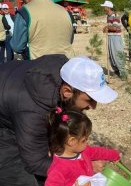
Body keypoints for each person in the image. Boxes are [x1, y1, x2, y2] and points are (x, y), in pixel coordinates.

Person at [0, 55, 118, 186]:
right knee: (21, 179)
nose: (93, 107)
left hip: (12, 102)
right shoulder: (33, 112)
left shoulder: (64, 72)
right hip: (5, 124)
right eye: (90, 99)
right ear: (67, 91)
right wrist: (83, 167)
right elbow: (35, 162)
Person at [46, 109, 120, 186]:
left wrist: (115, 155)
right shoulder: (58, 169)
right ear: (72, 141)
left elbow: (99, 152)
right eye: (84, 140)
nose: (86, 143)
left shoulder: (83, 151)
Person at [10, 0, 74, 60]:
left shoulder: (24, 12)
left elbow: (17, 47)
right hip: (67, 65)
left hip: (40, 67)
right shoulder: (65, 11)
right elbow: (70, 40)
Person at [101, 0, 125, 78]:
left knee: (117, 55)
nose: (103, 8)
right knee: (111, 55)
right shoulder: (108, 16)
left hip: (116, 37)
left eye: (104, 7)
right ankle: (116, 71)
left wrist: (107, 27)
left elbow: (115, 28)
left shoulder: (115, 15)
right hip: (110, 37)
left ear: (108, 8)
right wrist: (106, 29)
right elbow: (110, 27)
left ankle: (123, 73)